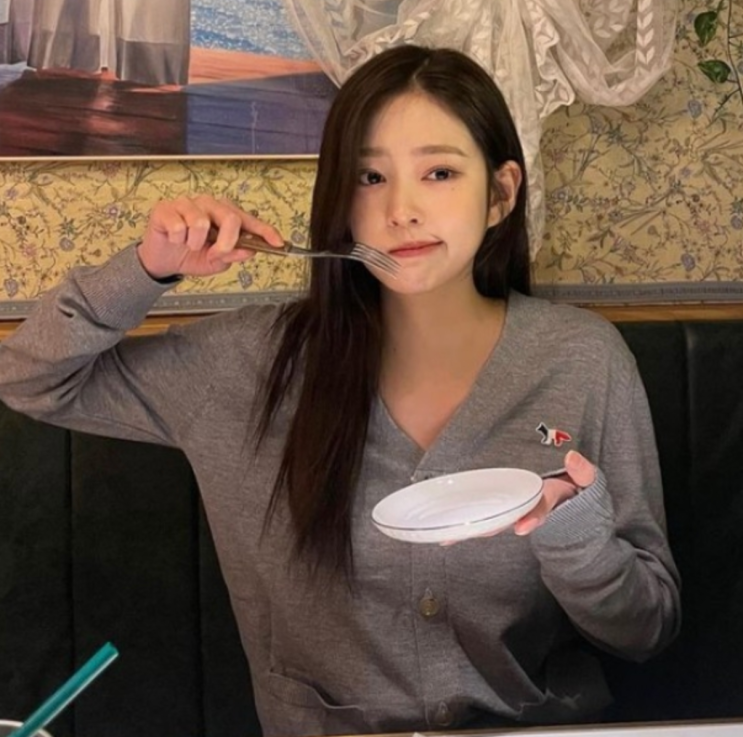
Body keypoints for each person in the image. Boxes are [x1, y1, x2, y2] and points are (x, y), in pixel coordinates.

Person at [0, 45, 680, 736]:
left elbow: (645, 631)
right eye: (369, 177)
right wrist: (149, 269)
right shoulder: (244, 363)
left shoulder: (580, 359)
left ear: (500, 194)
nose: (401, 210)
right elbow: (29, 379)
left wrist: (573, 536)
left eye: (439, 172)